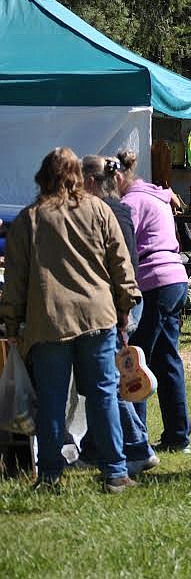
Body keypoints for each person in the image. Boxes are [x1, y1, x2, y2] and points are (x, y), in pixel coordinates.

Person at [0, 148, 141, 492]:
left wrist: (11, 321)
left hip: (49, 322)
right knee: (104, 396)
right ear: (78, 176)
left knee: (51, 400)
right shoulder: (99, 210)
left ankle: (49, 476)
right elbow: (121, 265)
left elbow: (15, 279)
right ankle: (115, 473)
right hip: (97, 317)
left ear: (42, 177)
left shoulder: (30, 219)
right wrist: (125, 308)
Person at [78, 155, 158, 476]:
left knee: (108, 382)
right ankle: (93, 448)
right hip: (119, 303)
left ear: (91, 182)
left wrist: (121, 308)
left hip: (114, 306)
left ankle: (139, 448)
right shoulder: (119, 209)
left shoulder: (107, 212)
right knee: (107, 380)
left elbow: (123, 268)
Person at [117, 149, 191, 453]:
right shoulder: (156, 195)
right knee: (165, 358)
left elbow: (120, 246)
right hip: (174, 278)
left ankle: (137, 440)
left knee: (137, 360)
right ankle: (178, 434)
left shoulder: (130, 202)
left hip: (155, 281)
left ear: (119, 177)